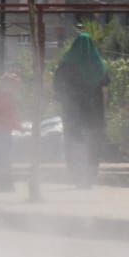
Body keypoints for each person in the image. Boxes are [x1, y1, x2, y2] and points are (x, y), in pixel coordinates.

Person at [54, 31, 109, 188]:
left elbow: (57, 86)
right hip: (95, 112)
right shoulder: (98, 64)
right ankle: (90, 178)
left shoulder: (66, 64)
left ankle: (77, 177)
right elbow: (106, 81)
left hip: (73, 113)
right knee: (93, 143)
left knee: (73, 142)